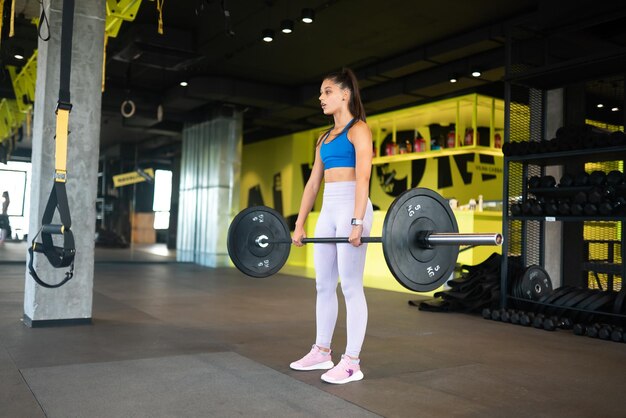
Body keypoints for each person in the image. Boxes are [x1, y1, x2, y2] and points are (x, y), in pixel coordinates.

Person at [290, 68, 374, 384]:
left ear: (344, 94)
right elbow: (312, 184)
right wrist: (299, 224)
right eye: (321, 93)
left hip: (354, 206)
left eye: (327, 91)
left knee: (351, 286)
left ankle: (352, 362)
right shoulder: (324, 138)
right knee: (324, 285)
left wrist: (357, 221)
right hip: (328, 210)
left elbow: (363, 176)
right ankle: (322, 351)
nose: (321, 97)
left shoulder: (359, 129)